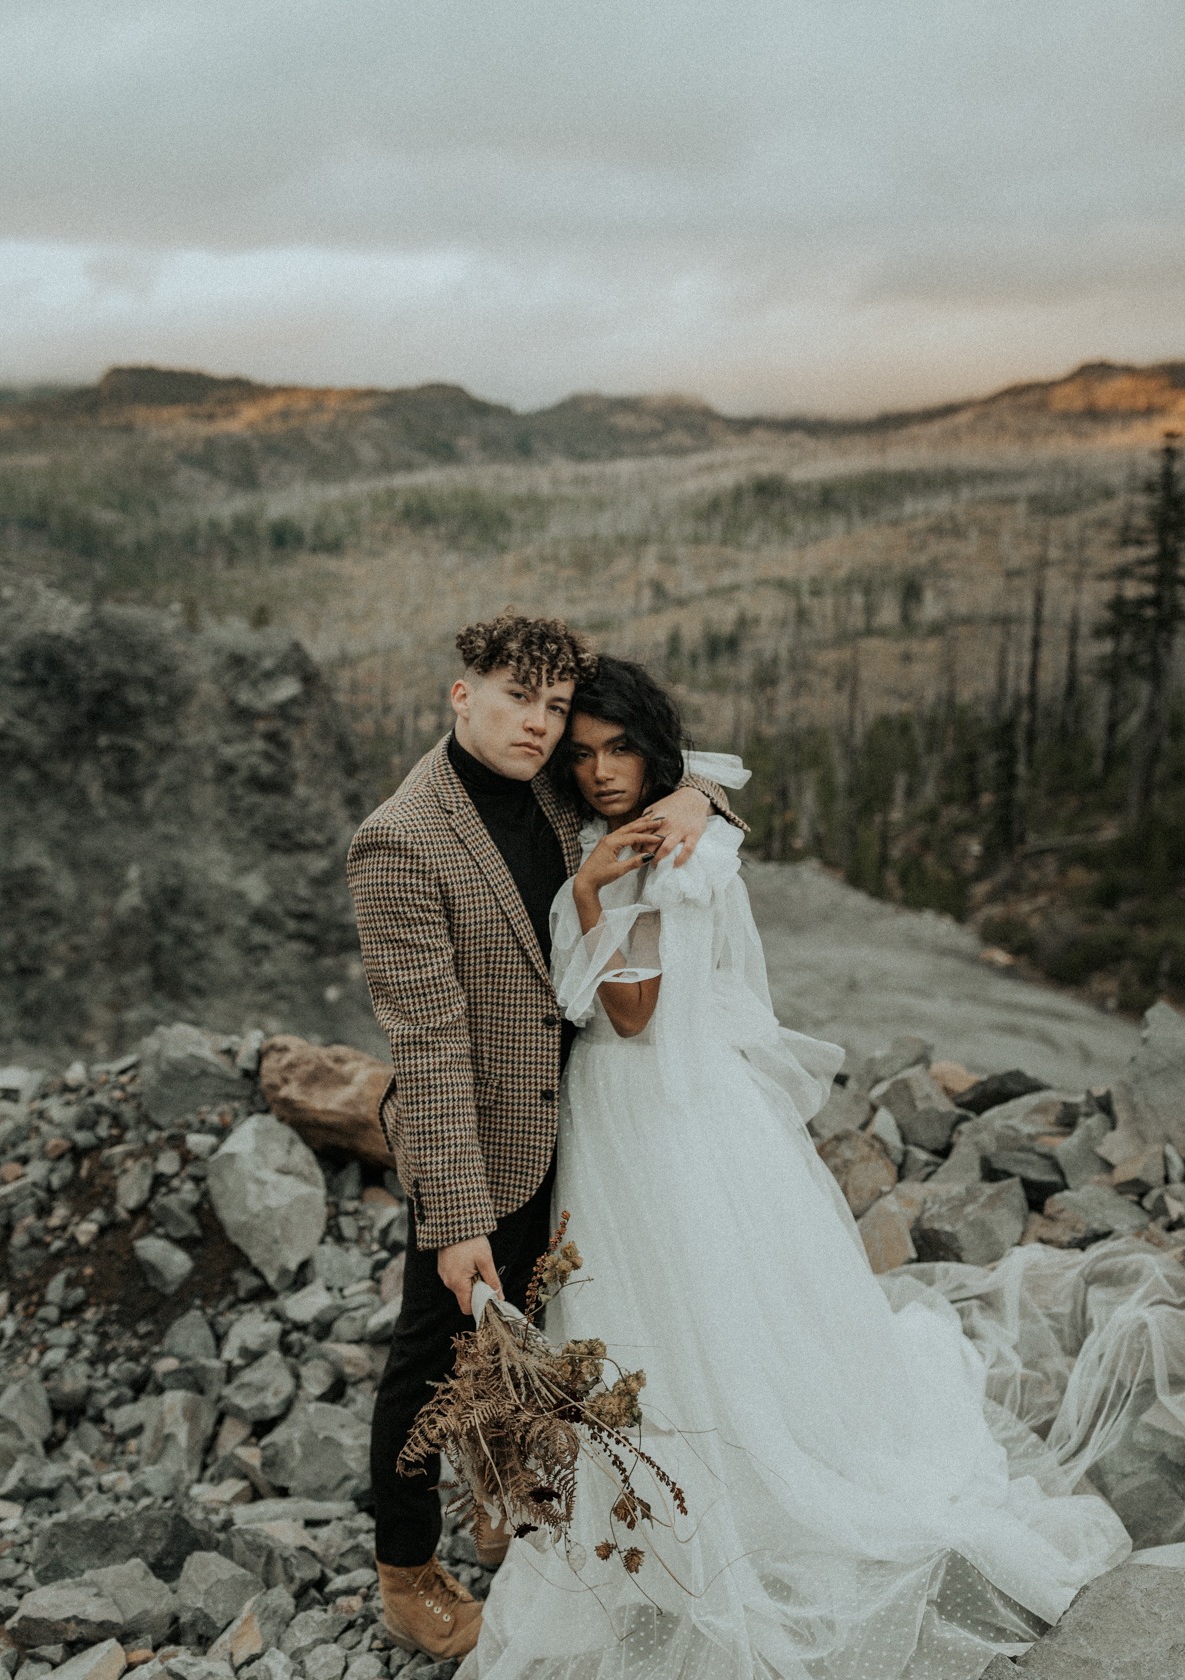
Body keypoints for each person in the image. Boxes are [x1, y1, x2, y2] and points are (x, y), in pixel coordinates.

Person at [462, 655, 1130, 1680]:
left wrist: (592, 896)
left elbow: (632, 1014)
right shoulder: (658, 823)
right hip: (636, 1114)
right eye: (584, 753)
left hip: (660, 1110)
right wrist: (669, 812)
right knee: (650, 1307)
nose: (602, 771)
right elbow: (712, 786)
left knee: (697, 1308)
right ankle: (641, 1491)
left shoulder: (668, 857)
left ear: (653, 748)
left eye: (622, 749)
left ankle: (717, 1504)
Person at [346, 615, 744, 1663]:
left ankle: (507, 1496)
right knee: (432, 1356)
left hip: (577, 1123)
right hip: (474, 1144)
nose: (540, 723)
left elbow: (663, 770)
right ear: (459, 694)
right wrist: (456, 1214)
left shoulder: (552, 786)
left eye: (554, 705)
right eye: (517, 697)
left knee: (541, 1327)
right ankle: (406, 1569)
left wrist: (699, 796)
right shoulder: (402, 838)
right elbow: (427, 1047)